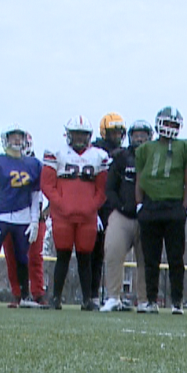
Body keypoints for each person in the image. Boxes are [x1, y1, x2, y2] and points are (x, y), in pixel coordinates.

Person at [42, 116, 109, 310]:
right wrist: (61, 204)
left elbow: (102, 188)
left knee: (85, 257)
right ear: (69, 135)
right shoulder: (56, 153)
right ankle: (56, 298)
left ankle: (87, 299)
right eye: (76, 134)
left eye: (83, 135)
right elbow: (47, 184)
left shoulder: (99, 155)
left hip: (87, 215)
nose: (80, 138)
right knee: (62, 255)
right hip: (63, 214)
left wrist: (91, 206)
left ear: (89, 136)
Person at [135, 107, 187, 314]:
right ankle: (151, 300)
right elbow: (139, 180)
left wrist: (183, 207)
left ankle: (177, 301)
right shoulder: (144, 149)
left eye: (173, 124)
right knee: (150, 258)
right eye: (167, 123)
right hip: (151, 206)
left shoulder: (186, 147)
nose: (170, 128)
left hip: (173, 207)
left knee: (175, 258)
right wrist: (139, 205)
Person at [0, 125, 42, 308]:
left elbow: (36, 194)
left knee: (22, 257)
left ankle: (25, 297)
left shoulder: (33, 164)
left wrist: (34, 219)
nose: (17, 140)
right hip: (0, 215)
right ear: (6, 140)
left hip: (22, 216)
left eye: (20, 137)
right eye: (13, 137)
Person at [100, 120, 152, 312]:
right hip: (123, 215)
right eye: (136, 135)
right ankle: (113, 297)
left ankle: (145, 300)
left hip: (146, 217)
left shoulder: (155, 158)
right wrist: (120, 205)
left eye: (143, 135)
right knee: (112, 251)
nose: (139, 138)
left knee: (146, 260)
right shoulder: (121, 157)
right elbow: (110, 187)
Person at [3, 132, 47, 306]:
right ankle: (18, 293)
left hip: (35, 216)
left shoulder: (38, 165)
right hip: (11, 216)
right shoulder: (4, 164)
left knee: (35, 256)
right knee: (12, 256)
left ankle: (37, 292)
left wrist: (48, 208)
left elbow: (50, 187)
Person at [90, 112, 127, 305]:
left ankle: (114, 295)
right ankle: (93, 294)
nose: (117, 136)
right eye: (113, 132)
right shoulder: (96, 151)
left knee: (113, 253)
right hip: (98, 206)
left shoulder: (124, 153)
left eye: (120, 132)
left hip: (114, 206)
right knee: (95, 253)